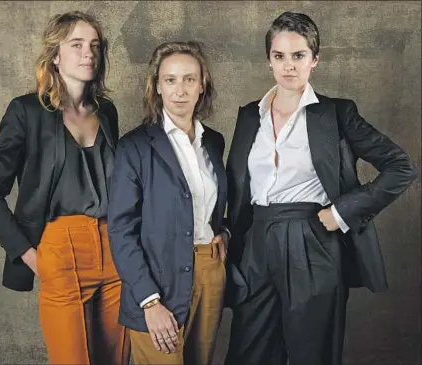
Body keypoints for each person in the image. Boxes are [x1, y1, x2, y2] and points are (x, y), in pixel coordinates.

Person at [224, 11, 417, 365]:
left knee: (311, 354)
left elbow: (401, 167)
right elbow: (237, 190)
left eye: (298, 56)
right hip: (257, 242)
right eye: (279, 56)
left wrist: (343, 211)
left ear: (315, 60)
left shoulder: (336, 114)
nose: (289, 66)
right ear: (269, 60)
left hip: (313, 240)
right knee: (247, 354)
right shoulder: (250, 116)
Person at [0, 11, 130, 365]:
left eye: (94, 45)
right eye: (76, 44)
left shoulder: (106, 111)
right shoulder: (25, 111)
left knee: (117, 359)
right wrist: (32, 256)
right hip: (60, 246)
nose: (87, 53)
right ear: (55, 56)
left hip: (113, 246)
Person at [108, 41, 230, 365]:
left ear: (202, 85)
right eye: (171, 79)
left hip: (209, 273)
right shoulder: (134, 147)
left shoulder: (214, 142)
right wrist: (149, 301)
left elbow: (211, 209)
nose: (180, 89)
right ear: (157, 86)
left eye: (189, 79)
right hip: (157, 280)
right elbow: (121, 231)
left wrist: (226, 234)